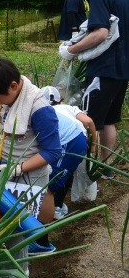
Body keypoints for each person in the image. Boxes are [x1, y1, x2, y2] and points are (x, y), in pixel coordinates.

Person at [0, 57, 62, 278]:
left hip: (29, 177)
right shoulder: (11, 99)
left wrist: (17, 168)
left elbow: (52, 152)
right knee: (2, 228)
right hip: (8, 172)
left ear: (13, 86)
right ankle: (5, 272)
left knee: (17, 232)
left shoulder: (39, 108)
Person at [60, 0, 129, 179]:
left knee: (89, 120)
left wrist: (71, 50)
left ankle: (87, 172)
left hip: (102, 69)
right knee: (109, 120)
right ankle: (106, 168)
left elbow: (100, 33)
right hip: (122, 70)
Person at [40, 87, 96, 219]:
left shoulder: (46, 112)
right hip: (81, 140)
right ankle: (58, 205)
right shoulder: (68, 107)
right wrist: (93, 146)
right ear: (61, 99)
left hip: (68, 142)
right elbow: (88, 121)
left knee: (53, 180)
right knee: (67, 171)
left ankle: (55, 208)